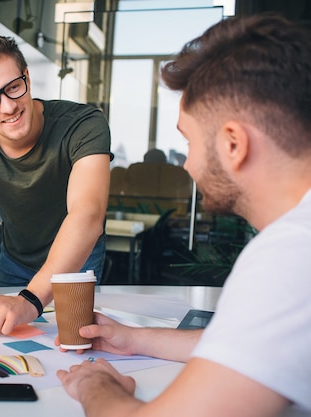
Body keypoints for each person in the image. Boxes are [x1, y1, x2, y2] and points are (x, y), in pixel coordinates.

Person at [57, 14, 311, 417]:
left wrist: (94, 386)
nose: (187, 166)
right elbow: (249, 342)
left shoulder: (292, 255)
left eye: (189, 141)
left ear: (233, 143)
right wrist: (133, 339)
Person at [0, 30, 112, 335]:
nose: (8, 107)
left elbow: (87, 215)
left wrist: (30, 299)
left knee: (72, 346)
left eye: (13, 88)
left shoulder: (84, 125)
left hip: (78, 258)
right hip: (14, 258)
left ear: (27, 79)